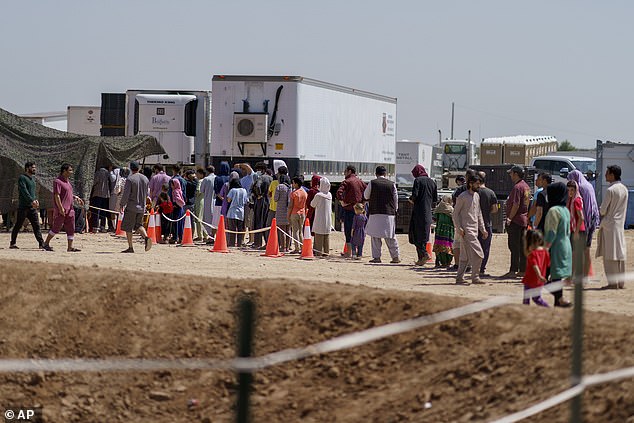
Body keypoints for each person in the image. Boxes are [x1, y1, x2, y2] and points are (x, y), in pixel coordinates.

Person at [596, 165, 628, 289]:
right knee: (620, 253)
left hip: (609, 225)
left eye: (607, 173)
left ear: (612, 174)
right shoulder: (624, 189)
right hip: (620, 225)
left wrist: (600, 210)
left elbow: (603, 210)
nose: (605, 175)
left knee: (610, 255)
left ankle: (613, 283)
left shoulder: (611, 190)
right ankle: (621, 282)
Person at [452, 174, 488, 284]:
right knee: (479, 253)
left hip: (474, 230)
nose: (479, 185)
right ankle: (475, 277)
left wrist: (483, 229)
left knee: (465, 256)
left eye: (479, 183)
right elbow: (455, 214)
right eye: (477, 183)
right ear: (471, 183)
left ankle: (459, 278)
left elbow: (478, 214)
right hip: (466, 230)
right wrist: (459, 228)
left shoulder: (477, 196)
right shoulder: (462, 196)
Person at [42, 163, 85, 252]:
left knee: (71, 228)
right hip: (62, 210)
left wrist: (75, 197)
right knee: (56, 228)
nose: (71, 172)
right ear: (64, 171)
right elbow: (57, 195)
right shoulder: (58, 181)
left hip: (70, 210)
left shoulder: (68, 182)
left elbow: (67, 193)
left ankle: (70, 247)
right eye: (69, 170)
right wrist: (60, 208)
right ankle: (46, 243)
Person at [567, 169, 600, 277]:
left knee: (579, 251)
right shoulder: (588, 185)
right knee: (586, 249)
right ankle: (587, 273)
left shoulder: (579, 189)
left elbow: (582, 211)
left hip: (584, 224)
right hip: (592, 219)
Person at [544, 182, 572, 307]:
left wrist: (545, 248)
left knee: (543, 276)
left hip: (555, 246)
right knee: (556, 276)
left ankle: (559, 299)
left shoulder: (553, 211)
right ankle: (558, 302)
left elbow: (551, 232)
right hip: (566, 245)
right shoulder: (565, 210)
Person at [364, 166, 400, 264]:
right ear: (385, 174)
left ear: (376, 174)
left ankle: (377, 257)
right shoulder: (392, 184)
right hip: (389, 214)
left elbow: (366, 195)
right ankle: (395, 257)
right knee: (390, 236)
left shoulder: (372, 183)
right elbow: (395, 199)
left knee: (375, 237)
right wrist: (395, 210)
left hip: (375, 212)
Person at [502, 165, 531, 279]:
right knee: (522, 246)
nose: (510, 175)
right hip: (523, 220)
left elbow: (516, 204)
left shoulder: (517, 187)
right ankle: (522, 270)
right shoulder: (526, 187)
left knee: (514, 246)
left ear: (516, 174)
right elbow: (527, 202)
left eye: (511, 173)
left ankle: (513, 270)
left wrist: (509, 218)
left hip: (516, 220)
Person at [10, 162, 46, 250]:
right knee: (18, 225)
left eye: (35, 167)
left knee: (36, 225)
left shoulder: (33, 179)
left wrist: (35, 200)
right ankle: (12, 243)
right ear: (27, 168)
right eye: (33, 167)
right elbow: (24, 191)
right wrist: (32, 200)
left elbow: (32, 192)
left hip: (32, 208)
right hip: (23, 207)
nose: (34, 169)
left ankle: (42, 244)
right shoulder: (22, 178)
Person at [119, 161, 152, 253]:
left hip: (131, 206)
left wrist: (122, 204)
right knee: (138, 225)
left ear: (131, 168)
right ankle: (146, 237)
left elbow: (126, 194)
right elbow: (147, 193)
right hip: (142, 206)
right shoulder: (145, 178)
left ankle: (130, 247)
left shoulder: (130, 179)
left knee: (128, 227)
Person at [408, 164, 437, 266]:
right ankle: (421, 259)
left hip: (418, 212)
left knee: (416, 235)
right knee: (424, 236)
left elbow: (414, 195)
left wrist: (411, 200)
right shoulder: (432, 182)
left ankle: (424, 254)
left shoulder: (418, 181)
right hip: (428, 213)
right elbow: (435, 200)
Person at [336, 165, 367, 258]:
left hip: (349, 210)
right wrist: (364, 202)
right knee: (360, 231)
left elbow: (339, 192)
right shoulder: (361, 182)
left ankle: (349, 252)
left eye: (345, 171)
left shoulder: (347, 181)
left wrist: (342, 202)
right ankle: (359, 252)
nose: (344, 173)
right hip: (360, 211)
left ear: (349, 171)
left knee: (349, 231)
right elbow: (367, 192)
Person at [476, 171, 498, 277]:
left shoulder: (474, 192)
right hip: (487, 223)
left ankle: (473, 267)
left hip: (474, 224)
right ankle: (482, 269)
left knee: (474, 247)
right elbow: (495, 209)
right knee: (485, 248)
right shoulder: (491, 193)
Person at [521, 229, 550, 307]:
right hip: (539, 281)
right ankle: (548, 308)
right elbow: (548, 264)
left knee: (526, 300)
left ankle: (525, 312)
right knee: (537, 299)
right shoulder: (545, 252)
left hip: (530, 279)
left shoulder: (532, 254)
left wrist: (539, 275)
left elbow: (535, 265)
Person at [566, 180, 586, 282]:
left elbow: (581, 217)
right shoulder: (570, 200)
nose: (570, 192)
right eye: (568, 190)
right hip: (573, 230)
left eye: (572, 190)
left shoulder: (576, 200)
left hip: (578, 230)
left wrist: (576, 232)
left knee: (575, 255)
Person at [251, 162, 273, 249]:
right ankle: (267, 242)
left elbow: (257, 186)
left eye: (258, 170)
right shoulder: (271, 178)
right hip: (269, 201)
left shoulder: (261, 178)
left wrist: (259, 195)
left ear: (262, 170)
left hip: (261, 201)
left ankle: (257, 243)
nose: (257, 171)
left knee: (258, 221)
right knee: (267, 223)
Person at [310, 176, 332, 256]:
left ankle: (318, 252)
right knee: (326, 237)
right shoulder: (329, 195)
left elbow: (312, 204)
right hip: (328, 219)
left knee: (318, 236)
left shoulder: (318, 195)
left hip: (319, 219)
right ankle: (326, 252)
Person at [432, 195, 454, 268]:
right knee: (448, 245)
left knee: (439, 244)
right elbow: (455, 219)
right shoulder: (451, 210)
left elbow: (434, 219)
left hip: (439, 230)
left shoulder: (438, 208)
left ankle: (439, 261)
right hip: (449, 231)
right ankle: (447, 262)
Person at [226, 177, 248, 247]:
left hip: (232, 212)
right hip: (241, 212)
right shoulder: (244, 191)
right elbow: (245, 201)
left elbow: (228, 200)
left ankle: (232, 243)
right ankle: (239, 243)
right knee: (240, 229)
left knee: (232, 229)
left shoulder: (232, 190)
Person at [288, 176, 308, 254]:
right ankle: (302, 247)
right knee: (301, 231)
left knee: (295, 231)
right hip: (302, 212)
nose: (292, 184)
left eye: (293, 183)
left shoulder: (294, 193)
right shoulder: (304, 192)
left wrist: (288, 215)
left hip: (294, 213)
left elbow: (290, 206)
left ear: (296, 184)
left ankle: (297, 248)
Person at [90, 165, 112, 233]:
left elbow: (94, 182)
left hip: (97, 193)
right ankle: (103, 226)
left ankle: (95, 226)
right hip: (106, 195)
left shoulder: (98, 173)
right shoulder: (108, 173)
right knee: (104, 211)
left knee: (96, 211)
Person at [274, 173, 292, 252]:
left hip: (280, 211)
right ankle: (288, 247)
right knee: (288, 230)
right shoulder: (290, 187)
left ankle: (283, 247)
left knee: (281, 230)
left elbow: (275, 198)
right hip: (289, 210)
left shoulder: (279, 187)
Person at [199, 165, 216, 243]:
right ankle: (214, 235)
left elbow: (201, 190)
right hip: (216, 201)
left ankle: (210, 236)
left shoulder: (206, 179)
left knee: (208, 219)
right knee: (215, 219)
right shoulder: (216, 178)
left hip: (208, 201)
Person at [212, 162, 230, 229]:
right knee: (226, 221)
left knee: (216, 220)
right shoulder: (229, 178)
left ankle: (213, 235)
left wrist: (221, 198)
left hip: (218, 202)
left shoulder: (217, 178)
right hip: (228, 202)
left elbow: (216, 191)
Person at [170, 178, 185, 244]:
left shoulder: (175, 191)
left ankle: (175, 237)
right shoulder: (179, 190)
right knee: (180, 223)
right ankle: (180, 237)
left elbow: (178, 199)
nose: (171, 186)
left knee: (176, 223)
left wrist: (176, 204)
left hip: (177, 208)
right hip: (180, 208)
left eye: (172, 184)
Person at [193, 168, 206, 241]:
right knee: (204, 219)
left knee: (199, 219)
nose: (196, 175)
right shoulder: (206, 180)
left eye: (197, 173)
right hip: (205, 200)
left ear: (201, 174)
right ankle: (205, 235)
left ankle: (200, 235)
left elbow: (198, 191)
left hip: (199, 201)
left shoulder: (200, 181)